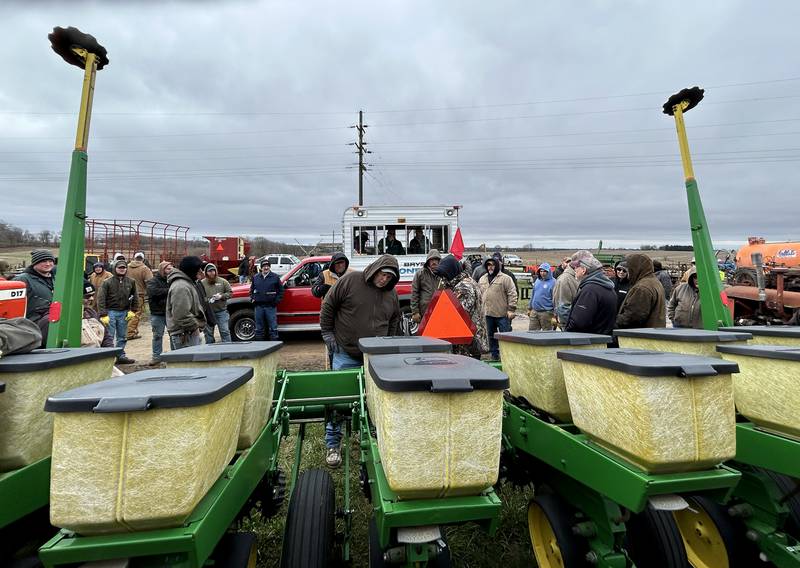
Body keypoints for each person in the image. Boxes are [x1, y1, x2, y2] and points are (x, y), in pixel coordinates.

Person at [320, 254, 401, 467]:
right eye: (383, 274)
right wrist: (328, 334)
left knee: (374, 399)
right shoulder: (350, 281)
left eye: (389, 277)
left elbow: (394, 319)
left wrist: (388, 343)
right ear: (375, 270)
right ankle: (333, 443)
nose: (384, 280)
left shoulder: (391, 294)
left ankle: (372, 437)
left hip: (374, 357)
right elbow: (328, 306)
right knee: (338, 399)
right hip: (345, 352)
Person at [434, 255, 489, 358]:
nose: (443, 278)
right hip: (470, 341)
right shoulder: (466, 282)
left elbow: (456, 316)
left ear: (451, 272)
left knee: (467, 372)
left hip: (467, 344)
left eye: (444, 275)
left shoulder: (463, 287)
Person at [565, 253, 617, 335]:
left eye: (576, 267)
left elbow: (579, 322)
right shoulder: (607, 287)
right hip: (603, 341)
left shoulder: (590, 291)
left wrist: (567, 332)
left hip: (589, 342)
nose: (574, 270)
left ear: (584, 270)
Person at [97, 259, 138, 364]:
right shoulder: (107, 282)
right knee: (109, 336)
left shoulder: (131, 282)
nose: (122, 269)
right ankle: (108, 357)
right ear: (115, 268)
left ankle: (120, 355)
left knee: (122, 336)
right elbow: (101, 298)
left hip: (124, 312)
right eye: (119, 267)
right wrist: (103, 314)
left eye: (124, 267)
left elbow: (135, 296)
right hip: (110, 312)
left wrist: (133, 310)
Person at [13, 249, 56, 346]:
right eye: (44, 261)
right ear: (35, 263)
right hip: (33, 325)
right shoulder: (22, 279)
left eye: (50, 261)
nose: (48, 264)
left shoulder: (54, 278)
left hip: (54, 321)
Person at [478, 256, 517, 360]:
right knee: (491, 336)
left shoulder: (505, 278)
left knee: (506, 336)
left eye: (493, 265)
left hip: (502, 314)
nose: (491, 267)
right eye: (488, 265)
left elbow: (512, 293)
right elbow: (479, 294)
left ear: (497, 266)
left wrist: (511, 309)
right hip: (487, 313)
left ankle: (508, 356)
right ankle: (494, 355)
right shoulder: (482, 278)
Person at [616, 253, 667, 329]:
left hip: (641, 335)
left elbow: (633, 317)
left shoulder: (642, 287)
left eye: (629, 268)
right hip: (653, 332)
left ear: (635, 268)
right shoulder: (654, 281)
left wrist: (613, 321)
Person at [167, 256, 207, 350]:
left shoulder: (186, 283)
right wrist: (195, 328)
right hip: (186, 335)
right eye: (198, 269)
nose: (201, 271)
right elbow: (181, 314)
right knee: (189, 364)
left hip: (188, 333)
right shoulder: (181, 287)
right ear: (192, 270)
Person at [250, 259, 283, 341]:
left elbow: (281, 291)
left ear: (270, 267)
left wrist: (276, 301)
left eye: (267, 266)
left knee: (273, 327)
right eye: (264, 266)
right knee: (259, 328)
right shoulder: (256, 277)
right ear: (261, 268)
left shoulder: (275, 277)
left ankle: (274, 344)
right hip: (259, 307)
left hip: (270, 307)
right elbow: (251, 290)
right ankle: (259, 345)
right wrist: (252, 298)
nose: (266, 268)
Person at [146, 261, 172, 363]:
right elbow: (153, 292)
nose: (170, 271)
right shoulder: (153, 281)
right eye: (168, 269)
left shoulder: (173, 280)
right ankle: (156, 357)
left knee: (174, 335)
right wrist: (169, 290)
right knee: (157, 336)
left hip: (170, 312)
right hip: (157, 313)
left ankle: (176, 355)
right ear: (162, 270)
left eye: (171, 269)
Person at [201, 263, 232, 343]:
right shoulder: (201, 283)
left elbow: (230, 293)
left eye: (213, 271)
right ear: (206, 272)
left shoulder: (223, 281)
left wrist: (221, 296)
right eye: (209, 271)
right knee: (208, 334)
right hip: (208, 313)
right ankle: (210, 351)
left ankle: (228, 349)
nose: (212, 273)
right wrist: (207, 300)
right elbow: (198, 296)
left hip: (221, 312)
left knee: (225, 332)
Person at [126, 252, 153, 340]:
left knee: (127, 313)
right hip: (138, 294)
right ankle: (130, 333)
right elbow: (150, 282)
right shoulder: (145, 269)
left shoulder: (127, 267)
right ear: (143, 259)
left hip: (125, 293)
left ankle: (129, 331)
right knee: (136, 314)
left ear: (134, 258)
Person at [410, 249, 441, 323]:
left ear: (439, 261)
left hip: (440, 310)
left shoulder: (443, 274)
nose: (434, 262)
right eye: (431, 260)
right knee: (425, 333)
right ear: (428, 261)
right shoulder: (420, 273)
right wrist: (415, 312)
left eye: (436, 259)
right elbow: (414, 293)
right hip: (425, 311)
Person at [81, 281, 113, 348]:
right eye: (87, 296)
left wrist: (110, 351)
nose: (91, 298)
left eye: (92, 295)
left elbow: (106, 335)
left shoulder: (92, 313)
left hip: (97, 354)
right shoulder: (67, 317)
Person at [552, 255, 580, 329]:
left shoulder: (576, 277)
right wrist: (571, 323)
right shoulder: (564, 279)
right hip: (569, 323)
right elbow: (562, 306)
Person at [528, 262, 556, 331]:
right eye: (541, 271)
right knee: (532, 332)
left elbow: (556, 299)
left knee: (546, 334)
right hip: (535, 311)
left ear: (549, 272)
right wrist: (529, 308)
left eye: (544, 271)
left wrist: (555, 315)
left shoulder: (554, 282)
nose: (542, 273)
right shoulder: (537, 280)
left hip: (546, 313)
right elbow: (533, 294)